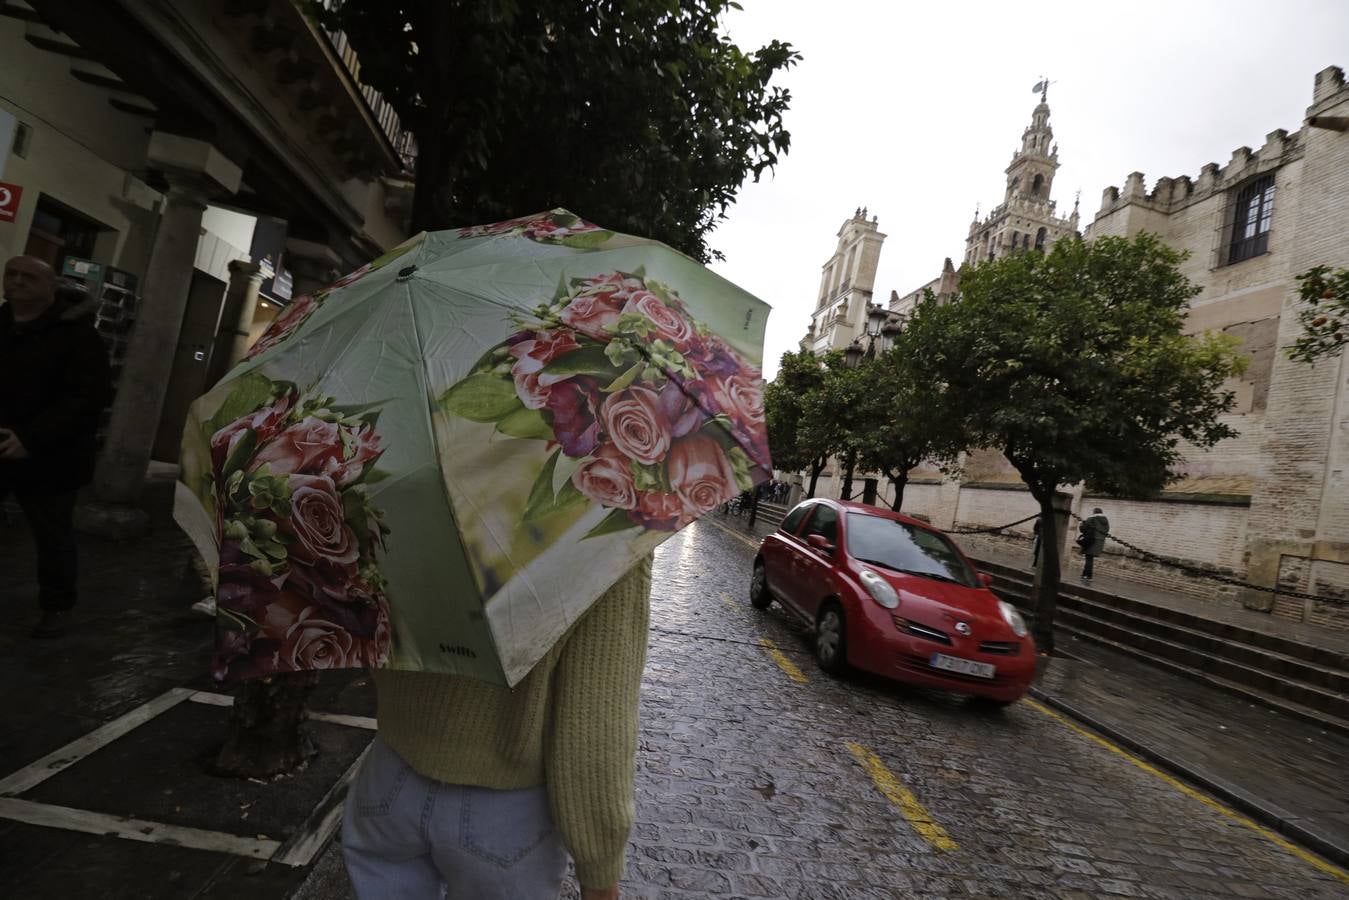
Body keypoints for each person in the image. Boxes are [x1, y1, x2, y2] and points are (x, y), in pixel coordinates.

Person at [342, 558, 652, 900]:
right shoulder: (617, 524)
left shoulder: (406, 503)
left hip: (388, 775)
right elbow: (594, 723)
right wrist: (599, 868)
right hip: (505, 812)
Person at [0, 256, 112, 638]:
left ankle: (57, 607)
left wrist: (31, 438)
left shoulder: (77, 336)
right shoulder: (2, 323)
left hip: (51, 456)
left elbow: (86, 398)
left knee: (51, 535)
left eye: (28, 277)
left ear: (51, 288)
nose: (17, 282)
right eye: (11, 275)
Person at [1078, 507, 1110, 581]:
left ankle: (1088, 576)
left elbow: (1083, 529)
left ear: (1094, 512)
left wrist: (1081, 524)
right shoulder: (1106, 521)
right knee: (1090, 558)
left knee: (1089, 558)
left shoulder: (1091, 518)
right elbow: (1106, 530)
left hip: (1091, 541)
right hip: (1100, 542)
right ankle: (1085, 574)